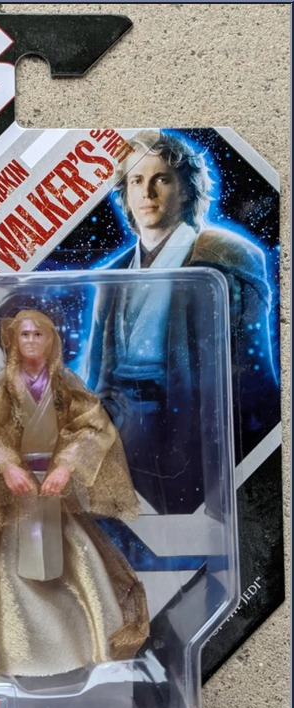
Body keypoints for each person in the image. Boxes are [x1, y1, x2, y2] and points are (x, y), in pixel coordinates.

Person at [0, 309, 149, 685]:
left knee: (80, 561)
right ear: (14, 340)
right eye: (25, 335)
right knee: (12, 572)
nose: (32, 341)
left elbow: (95, 425)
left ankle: (92, 645)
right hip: (20, 496)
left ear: (51, 340)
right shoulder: (5, 385)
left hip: (55, 491)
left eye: (39, 334)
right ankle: (25, 655)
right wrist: (7, 465)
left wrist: (66, 465)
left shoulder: (63, 383)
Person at [89, 129, 279, 513]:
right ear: (125, 192)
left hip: (198, 436)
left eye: (161, 179)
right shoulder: (111, 276)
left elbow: (252, 378)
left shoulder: (227, 257)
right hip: (126, 439)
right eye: (136, 181)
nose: (147, 193)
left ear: (186, 188)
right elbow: (98, 377)